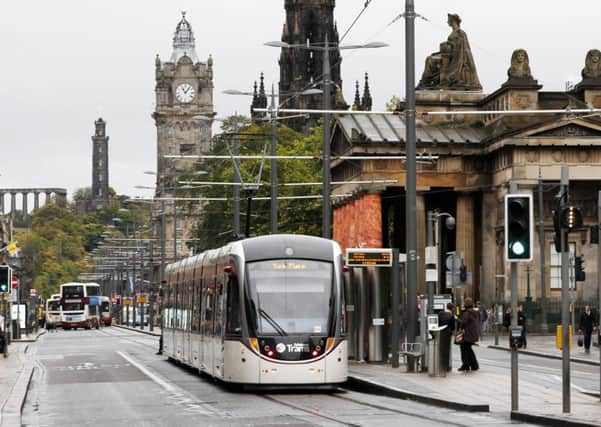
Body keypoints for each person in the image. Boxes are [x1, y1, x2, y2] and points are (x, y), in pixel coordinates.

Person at [458, 298, 479, 372]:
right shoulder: (474, 312)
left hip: (468, 335)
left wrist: (457, 319)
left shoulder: (467, 313)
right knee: (468, 349)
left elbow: (463, 323)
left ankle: (466, 365)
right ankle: (474, 365)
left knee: (464, 349)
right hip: (473, 334)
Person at [438, 302, 456, 371]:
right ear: (452, 308)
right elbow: (453, 327)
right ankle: (446, 366)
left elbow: (438, 323)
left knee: (441, 349)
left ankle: (440, 364)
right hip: (448, 334)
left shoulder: (440, 313)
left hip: (441, 333)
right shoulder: (451, 316)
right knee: (447, 350)